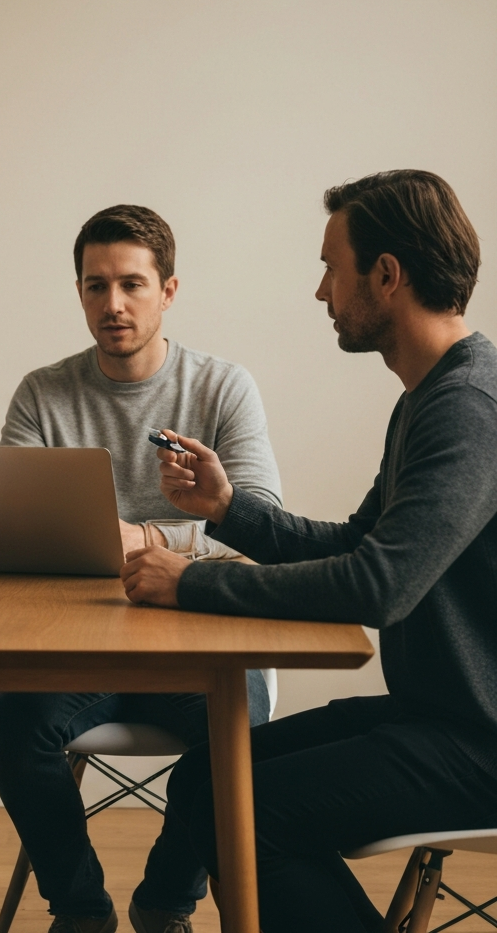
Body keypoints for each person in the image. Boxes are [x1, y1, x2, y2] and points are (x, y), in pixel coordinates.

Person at [122, 170, 497, 933]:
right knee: (205, 781)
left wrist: (191, 584)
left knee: (248, 813)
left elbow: (379, 585)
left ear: (386, 276)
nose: (321, 292)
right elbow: (361, 543)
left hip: (479, 738)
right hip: (437, 714)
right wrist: (229, 509)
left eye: (332, 266)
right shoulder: (428, 398)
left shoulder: (469, 408)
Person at [0, 204, 283, 933]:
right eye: (94, 286)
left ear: (169, 290)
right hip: (75, 640)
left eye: (130, 284)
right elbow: (12, 529)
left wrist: (138, 537)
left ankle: (165, 903)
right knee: (16, 724)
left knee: (238, 726)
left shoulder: (222, 388)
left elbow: (261, 525)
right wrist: (164, 536)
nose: (111, 305)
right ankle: (82, 910)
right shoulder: (42, 394)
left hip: (200, 635)